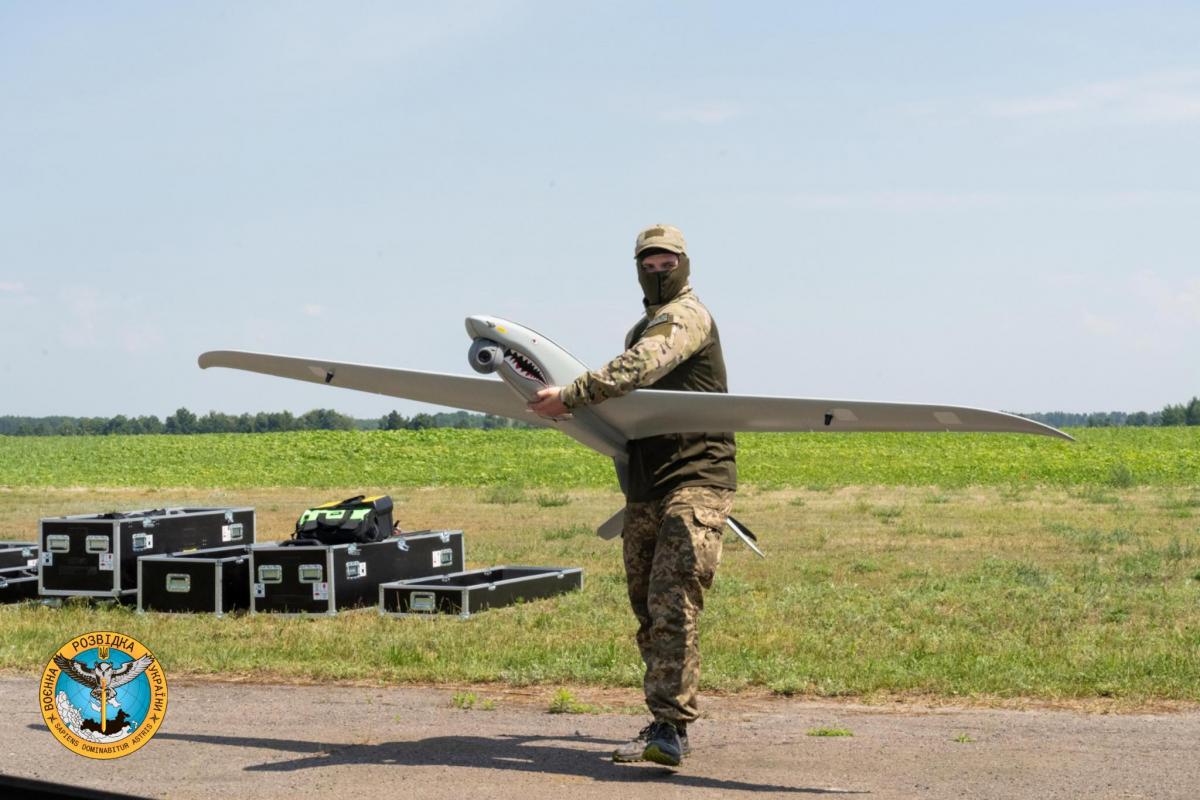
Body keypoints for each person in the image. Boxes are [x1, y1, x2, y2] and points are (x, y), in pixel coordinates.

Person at [529, 223, 737, 767]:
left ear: (685, 265)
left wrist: (572, 394)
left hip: (696, 478)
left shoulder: (685, 318)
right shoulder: (642, 325)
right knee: (647, 607)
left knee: (673, 601)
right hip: (648, 484)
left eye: (667, 262)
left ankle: (670, 728)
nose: (657, 270)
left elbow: (647, 363)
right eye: (648, 262)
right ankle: (662, 720)